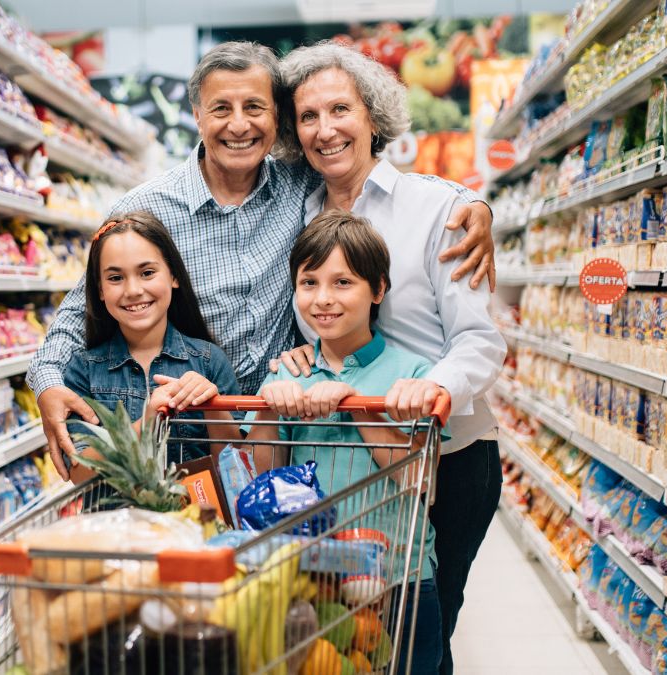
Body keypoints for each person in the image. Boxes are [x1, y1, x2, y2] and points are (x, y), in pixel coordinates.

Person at [29, 41, 497, 481]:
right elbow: (81, 307)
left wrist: (475, 205)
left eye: (254, 107)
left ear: (275, 121)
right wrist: (47, 381)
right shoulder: (150, 208)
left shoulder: (301, 187)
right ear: (197, 116)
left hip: (334, 432)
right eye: (220, 109)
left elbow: (375, 179)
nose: (239, 125)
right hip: (204, 435)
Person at [272, 42, 507, 675]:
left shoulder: (439, 208)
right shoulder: (295, 212)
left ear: (373, 116)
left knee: (422, 631)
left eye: (340, 109)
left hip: (447, 460)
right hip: (343, 462)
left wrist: (424, 391)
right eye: (308, 116)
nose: (325, 130)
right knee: (347, 642)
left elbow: (481, 341)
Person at [244, 211, 443, 674]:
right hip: (316, 580)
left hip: (402, 577)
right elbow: (263, 475)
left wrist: (356, 404)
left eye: (342, 283)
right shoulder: (289, 372)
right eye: (309, 283)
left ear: (377, 290)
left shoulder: (412, 374)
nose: (322, 299)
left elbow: (421, 480)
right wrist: (269, 409)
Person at [60, 212, 240, 480]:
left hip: (196, 517)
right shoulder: (82, 370)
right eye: (115, 278)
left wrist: (215, 406)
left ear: (173, 276)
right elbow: (78, 472)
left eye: (147, 273)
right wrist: (145, 423)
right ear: (99, 290)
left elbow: (235, 468)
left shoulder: (209, 361)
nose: (133, 290)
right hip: (119, 520)